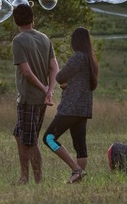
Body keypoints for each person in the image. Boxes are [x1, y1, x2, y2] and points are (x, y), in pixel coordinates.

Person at [43, 27, 98, 184]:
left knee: (49, 138)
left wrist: (63, 81)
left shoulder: (78, 57)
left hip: (71, 108)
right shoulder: (90, 59)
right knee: (80, 145)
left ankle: (76, 170)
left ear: (76, 41)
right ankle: (78, 180)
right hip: (83, 109)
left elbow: (60, 77)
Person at [11, 4, 59, 185]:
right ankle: (24, 176)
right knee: (19, 135)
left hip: (29, 99)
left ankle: (37, 180)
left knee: (30, 142)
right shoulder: (45, 38)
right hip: (39, 99)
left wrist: (45, 90)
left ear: (16, 21)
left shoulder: (18, 41)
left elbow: (26, 72)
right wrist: (49, 90)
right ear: (33, 19)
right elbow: (54, 67)